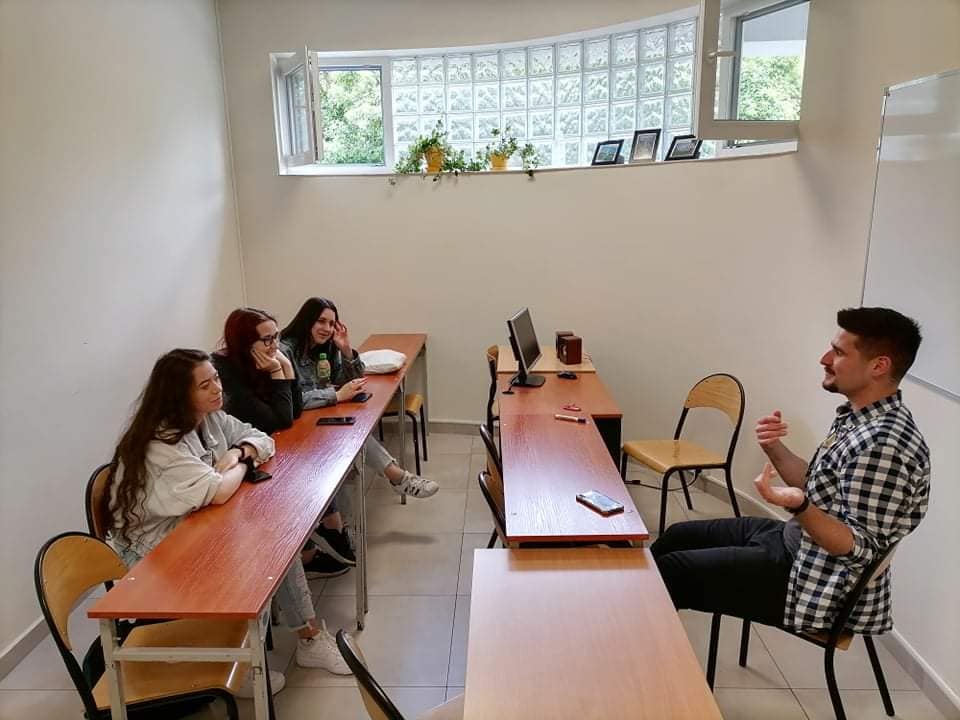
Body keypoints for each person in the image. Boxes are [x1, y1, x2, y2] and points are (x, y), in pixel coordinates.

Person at [652, 307, 930, 634]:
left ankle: (634, 656)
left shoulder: (883, 444)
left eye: (839, 353)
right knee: (676, 537)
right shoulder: (861, 418)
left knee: (671, 572)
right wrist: (775, 448)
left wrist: (800, 506)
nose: (825, 359)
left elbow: (858, 548)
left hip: (814, 582)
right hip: (795, 543)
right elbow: (818, 485)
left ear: (879, 366)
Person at [105, 349, 352, 695]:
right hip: (156, 554)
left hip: (194, 523)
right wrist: (244, 465)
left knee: (277, 540)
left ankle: (304, 640)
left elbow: (261, 439)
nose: (217, 388)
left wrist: (237, 452)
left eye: (216, 378)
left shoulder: (209, 418)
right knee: (261, 553)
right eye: (204, 385)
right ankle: (243, 662)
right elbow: (219, 491)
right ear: (178, 395)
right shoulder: (158, 444)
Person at [212, 308, 355, 576]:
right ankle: (310, 550)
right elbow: (280, 419)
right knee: (299, 473)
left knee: (315, 462)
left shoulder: (267, 358)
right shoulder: (225, 370)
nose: (275, 345)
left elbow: (295, 410)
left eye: (276, 336)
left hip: (263, 445)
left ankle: (326, 535)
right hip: (237, 458)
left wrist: (285, 368)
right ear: (244, 342)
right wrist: (279, 370)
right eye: (267, 339)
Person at [280, 297, 438, 498]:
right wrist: (336, 395)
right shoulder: (285, 351)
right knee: (349, 436)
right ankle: (398, 478)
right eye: (321, 321)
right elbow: (291, 402)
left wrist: (346, 349)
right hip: (292, 425)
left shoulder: (324, 347)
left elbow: (346, 379)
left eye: (331, 324)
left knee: (353, 432)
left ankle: (396, 479)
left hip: (318, 414)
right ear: (306, 320)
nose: (327, 328)